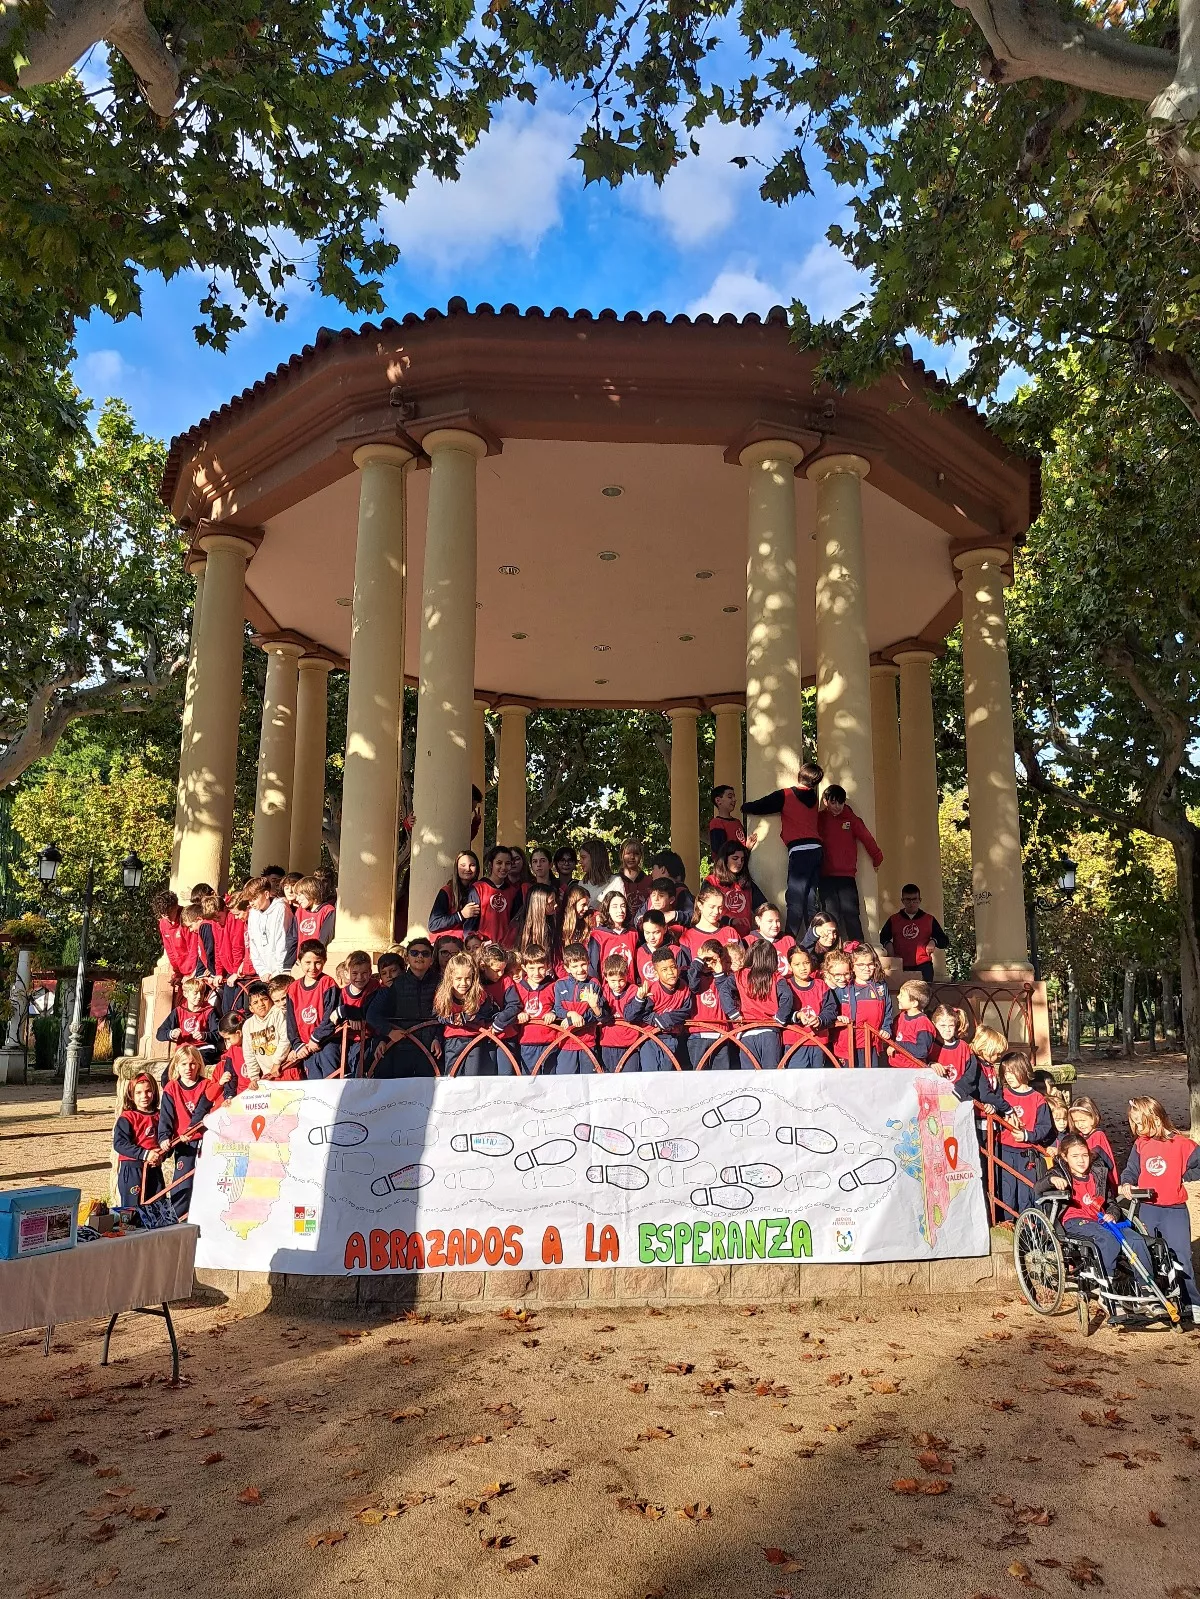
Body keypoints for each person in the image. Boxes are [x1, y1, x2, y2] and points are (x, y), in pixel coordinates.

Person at [1118, 1096, 1200, 1321]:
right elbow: (1131, 1169)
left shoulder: (1181, 1143)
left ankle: (1191, 1302)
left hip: (1174, 1209)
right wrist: (1127, 1183)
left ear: (1154, 1118)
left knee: (1180, 1256)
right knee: (1149, 1254)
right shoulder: (1140, 1144)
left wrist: (1182, 1175)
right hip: (1147, 1207)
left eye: (1139, 1122)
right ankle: (1155, 1298)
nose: (1136, 1128)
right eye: (1133, 1123)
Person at [1037, 1134, 1154, 1288]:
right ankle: (1107, 1281)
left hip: (1101, 1220)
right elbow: (1038, 1187)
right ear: (1065, 1157)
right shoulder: (1059, 1173)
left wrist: (1112, 1214)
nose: (1081, 1160)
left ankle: (1146, 1287)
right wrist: (1051, 1180)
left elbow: (1111, 1202)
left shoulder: (1098, 1174)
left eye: (1085, 1155)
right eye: (1075, 1156)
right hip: (1075, 1221)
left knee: (1136, 1239)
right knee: (1107, 1239)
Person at [742, 760, 824, 937]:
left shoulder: (786, 795)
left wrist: (745, 807)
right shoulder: (814, 799)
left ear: (799, 774)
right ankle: (815, 940)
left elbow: (762, 805)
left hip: (799, 850)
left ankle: (790, 939)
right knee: (810, 899)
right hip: (817, 849)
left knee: (795, 898)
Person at [158, 1046, 232, 1219]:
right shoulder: (172, 1088)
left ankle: (207, 1218)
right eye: (184, 1064)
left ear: (199, 1065)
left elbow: (212, 1107)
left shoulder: (207, 1085)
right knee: (181, 1182)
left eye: (192, 1064)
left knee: (207, 1179)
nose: (188, 1068)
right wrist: (163, 1137)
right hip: (184, 1143)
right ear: (176, 1066)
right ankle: (177, 1218)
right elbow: (165, 1117)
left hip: (205, 1139)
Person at [817, 784, 883, 945]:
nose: (837, 807)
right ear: (826, 801)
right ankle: (831, 951)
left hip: (846, 876)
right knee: (830, 916)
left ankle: (859, 948)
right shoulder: (820, 819)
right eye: (833, 802)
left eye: (840, 802)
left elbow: (867, 838)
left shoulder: (851, 819)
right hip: (825, 875)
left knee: (851, 913)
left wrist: (877, 857)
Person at [366, 938, 441, 1077]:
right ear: (407, 958)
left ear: (431, 959)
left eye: (425, 954)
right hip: (401, 1047)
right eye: (414, 953)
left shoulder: (440, 982)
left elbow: (444, 1014)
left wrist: (438, 1038)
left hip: (431, 1049)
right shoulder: (396, 985)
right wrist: (387, 1033)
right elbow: (374, 1015)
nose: (419, 956)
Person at [996, 1052, 1053, 1223]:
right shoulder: (1002, 1095)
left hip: (1026, 1154)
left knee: (1025, 1192)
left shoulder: (1037, 1099)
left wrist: (1027, 1135)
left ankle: (1028, 1228)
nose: (1009, 1077)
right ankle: (1006, 1225)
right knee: (1006, 1190)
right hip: (1004, 1150)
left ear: (1024, 1070)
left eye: (1012, 1072)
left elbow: (1045, 1127)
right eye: (1005, 1073)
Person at [828, 945, 895, 1069]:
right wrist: (838, 1018)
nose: (867, 968)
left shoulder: (880, 985)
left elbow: (888, 1010)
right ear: (852, 966)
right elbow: (830, 1011)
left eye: (870, 964)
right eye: (861, 965)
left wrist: (886, 1028)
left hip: (872, 1044)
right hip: (847, 1044)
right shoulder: (843, 987)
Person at [283, 939, 342, 1080]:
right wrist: (297, 1044)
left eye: (318, 962)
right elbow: (290, 1023)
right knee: (313, 1083)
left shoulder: (328, 984)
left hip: (327, 1043)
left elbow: (331, 1016)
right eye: (307, 963)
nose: (313, 967)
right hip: (306, 1048)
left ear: (324, 961)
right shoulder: (293, 989)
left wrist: (316, 1039)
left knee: (331, 1081)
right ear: (299, 961)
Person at [434, 953, 498, 1077]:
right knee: (452, 1076)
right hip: (453, 1040)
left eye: (468, 978)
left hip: (475, 1039)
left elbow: (485, 1013)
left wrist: (466, 1018)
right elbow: (438, 1014)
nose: (463, 983)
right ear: (450, 978)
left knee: (472, 1077)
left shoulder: (479, 994)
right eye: (458, 979)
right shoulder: (443, 995)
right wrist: (451, 1019)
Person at [726, 939, 783, 1069]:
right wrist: (781, 1017)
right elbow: (787, 997)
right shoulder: (776, 977)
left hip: (747, 1031)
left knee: (750, 1077)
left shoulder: (740, 975)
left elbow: (724, 990)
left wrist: (732, 1013)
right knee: (771, 1076)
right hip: (770, 1030)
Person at [776, 945, 835, 1068]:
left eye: (806, 963)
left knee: (818, 1082)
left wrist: (820, 1019)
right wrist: (797, 1015)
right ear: (790, 966)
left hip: (819, 1040)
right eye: (797, 965)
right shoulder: (785, 986)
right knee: (798, 1081)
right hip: (795, 1042)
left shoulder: (821, 985)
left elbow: (831, 1009)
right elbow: (780, 1012)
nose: (803, 968)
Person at [638, 945, 694, 1071]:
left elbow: (686, 1011)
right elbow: (642, 1013)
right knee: (650, 1076)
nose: (670, 972)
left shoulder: (684, 988)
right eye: (664, 970)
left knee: (667, 1077)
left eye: (673, 967)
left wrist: (666, 1019)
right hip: (650, 1037)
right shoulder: (652, 990)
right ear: (656, 972)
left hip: (672, 1037)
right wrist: (656, 1020)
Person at [113, 1072, 164, 1210]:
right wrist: (145, 1154)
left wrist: (161, 1155)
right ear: (131, 1095)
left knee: (158, 1206)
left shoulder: (160, 1116)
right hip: (132, 1168)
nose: (144, 1096)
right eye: (139, 1092)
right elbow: (119, 1144)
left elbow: (166, 1139)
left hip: (154, 1168)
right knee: (132, 1210)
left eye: (148, 1091)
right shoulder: (128, 1117)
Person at [686, 940, 739, 1070]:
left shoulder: (724, 978)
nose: (708, 963)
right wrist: (699, 961)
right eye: (706, 959)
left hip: (720, 1033)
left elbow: (726, 995)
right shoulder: (693, 973)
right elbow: (693, 986)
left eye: (713, 960)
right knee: (699, 1077)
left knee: (721, 1078)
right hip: (699, 1033)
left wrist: (719, 973)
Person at [880, 884, 949, 983]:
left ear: (919, 900)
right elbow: (881, 938)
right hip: (901, 965)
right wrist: (888, 944)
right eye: (908, 900)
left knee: (924, 997)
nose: (911, 903)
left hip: (923, 966)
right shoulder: (894, 919)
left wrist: (934, 941)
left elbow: (944, 941)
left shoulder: (929, 919)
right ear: (902, 901)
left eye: (914, 899)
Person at [552, 943, 603, 1073]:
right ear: (567, 968)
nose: (580, 969)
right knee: (564, 1083)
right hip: (565, 1043)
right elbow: (558, 1008)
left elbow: (594, 1013)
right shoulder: (559, 985)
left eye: (583, 964)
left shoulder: (593, 984)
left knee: (589, 1083)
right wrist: (571, 1014)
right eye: (575, 966)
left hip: (587, 1042)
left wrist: (573, 1020)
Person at [598, 953, 649, 1071]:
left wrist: (639, 999)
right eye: (613, 981)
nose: (617, 985)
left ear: (627, 975)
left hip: (630, 1045)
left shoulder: (634, 991)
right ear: (605, 977)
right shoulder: (603, 991)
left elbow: (630, 1015)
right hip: (608, 1044)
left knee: (630, 1082)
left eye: (621, 980)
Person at [513, 945, 560, 1075]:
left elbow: (560, 1006)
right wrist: (518, 1014)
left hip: (550, 1041)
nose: (537, 973)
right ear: (524, 968)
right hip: (527, 1042)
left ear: (547, 966)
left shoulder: (554, 986)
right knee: (529, 1080)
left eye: (541, 968)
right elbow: (511, 1007)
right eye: (532, 968)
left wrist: (553, 1013)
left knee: (550, 1080)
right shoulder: (517, 988)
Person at [156, 975, 221, 1066]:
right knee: (166, 1076)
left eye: (201, 993)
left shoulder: (209, 1011)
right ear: (186, 994)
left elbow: (218, 1034)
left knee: (193, 1066)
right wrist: (171, 1033)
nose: (199, 996)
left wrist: (204, 1035)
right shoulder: (179, 1011)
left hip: (204, 1049)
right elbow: (160, 1033)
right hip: (183, 1050)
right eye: (195, 993)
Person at [705, 841, 764, 938]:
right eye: (735, 858)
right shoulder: (711, 882)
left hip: (744, 939)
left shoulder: (747, 883)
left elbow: (763, 908)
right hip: (718, 937)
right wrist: (730, 921)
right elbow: (705, 912)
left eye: (742, 859)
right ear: (724, 859)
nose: (739, 863)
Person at [478, 943, 521, 1075]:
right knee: (487, 1074)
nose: (500, 973)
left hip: (505, 1034)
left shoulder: (506, 980)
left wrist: (500, 1022)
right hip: (484, 1035)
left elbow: (515, 1005)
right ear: (483, 966)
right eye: (496, 970)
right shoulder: (476, 982)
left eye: (503, 969)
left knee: (506, 1075)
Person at [246, 875, 295, 978]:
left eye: (254, 899)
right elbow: (253, 943)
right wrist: (262, 970)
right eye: (249, 900)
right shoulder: (253, 914)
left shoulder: (280, 909)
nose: (252, 903)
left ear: (266, 894)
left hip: (281, 970)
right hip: (265, 972)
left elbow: (282, 939)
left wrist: (279, 971)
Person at [241, 981, 291, 1081]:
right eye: (255, 1002)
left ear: (271, 1000)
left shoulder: (278, 1013)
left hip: (286, 1067)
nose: (261, 1004)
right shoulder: (248, 1025)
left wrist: (277, 1062)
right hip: (269, 1075)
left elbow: (285, 1038)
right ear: (251, 1008)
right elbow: (249, 1053)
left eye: (264, 999)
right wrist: (254, 1077)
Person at [429, 851, 483, 941]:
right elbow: (433, 924)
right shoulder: (447, 891)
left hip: (469, 944)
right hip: (447, 944)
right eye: (463, 865)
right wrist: (461, 915)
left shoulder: (480, 890)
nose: (468, 869)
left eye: (472, 865)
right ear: (456, 869)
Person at [678, 885, 741, 960]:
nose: (716, 912)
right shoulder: (688, 937)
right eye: (712, 907)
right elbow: (686, 968)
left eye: (720, 908)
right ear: (700, 905)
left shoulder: (730, 932)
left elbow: (742, 962)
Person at [1068, 1096, 1117, 1192]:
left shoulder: (1098, 1135)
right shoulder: (1079, 1137)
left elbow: (1105, 1163)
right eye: (1076, 1121)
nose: (1080, 1125)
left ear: (1093, 1117)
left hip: (1101, 1184)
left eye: (1083, 1120)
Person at [152, 889, 199, 984]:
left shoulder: (187, 918)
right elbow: (170, 951)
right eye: (165, 916)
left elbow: (194, 948)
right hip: (182, 973)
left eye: (170, 913)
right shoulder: (163, 924)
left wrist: (191, 973)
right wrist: (178, 973)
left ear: (176, 906)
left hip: (194, 971)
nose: (170, 920)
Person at [589, 890, 638, 977]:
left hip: (630, 988)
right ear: (607, 910)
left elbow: (637, 964)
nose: (620, 910)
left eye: (623, 906)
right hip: (607, 988)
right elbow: (593, 969)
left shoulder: (633, 933)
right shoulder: (597, 935)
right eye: (614, 907)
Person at [889, 979, 936, 1064]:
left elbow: (921, 1051)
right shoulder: (900, 1017)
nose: (898, 997)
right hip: (896, 1067)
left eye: (902, 995)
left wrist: (898, 1045)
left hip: (912, 1070)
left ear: (914, 1003)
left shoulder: (923, 1024)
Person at [514, 885, 560, 969]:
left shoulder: (552, 922)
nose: (556, 905)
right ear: (539, 905)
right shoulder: (520, 927)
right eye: (551, 902)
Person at [746, 901, 795, 976]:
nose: (775, 925)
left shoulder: (788, 940)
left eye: (777, 921)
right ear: (758, 921)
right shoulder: (748, 941)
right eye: (770, 921)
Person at [647, 850, 695, 925]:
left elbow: (693, 917)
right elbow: (638, 916)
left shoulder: (681, 893)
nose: (651, 873)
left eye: (653, 868)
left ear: (662, 869)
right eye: (653, 895)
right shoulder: (653, 892)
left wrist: (674, 915)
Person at [608, 838, 651, 916]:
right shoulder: (613, 881)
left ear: (641, 856)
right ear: (621, 856)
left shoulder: (649, 881)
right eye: (628, 853)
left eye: (636, 853)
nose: (632, 857)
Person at [294, 876, 336, 946]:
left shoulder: (327, 910)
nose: (297, 899)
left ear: (311, 892)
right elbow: (293, 938)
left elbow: (324, 939)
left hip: (316, 954)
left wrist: (313, 954)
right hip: (301, 956)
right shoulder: (300, 911)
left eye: (299, 895)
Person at [708, 785, 747, 857]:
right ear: (718, 800)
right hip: (726, 867)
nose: (734, 799)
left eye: (734, 796)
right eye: (730, 797)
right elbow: (719, 849)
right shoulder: (716, 823)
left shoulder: (737, 822)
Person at [578, 838, 614, 909]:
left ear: (594, 858)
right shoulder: (581, 884)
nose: (580, 862)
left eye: (583, 857)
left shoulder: (615, 881)